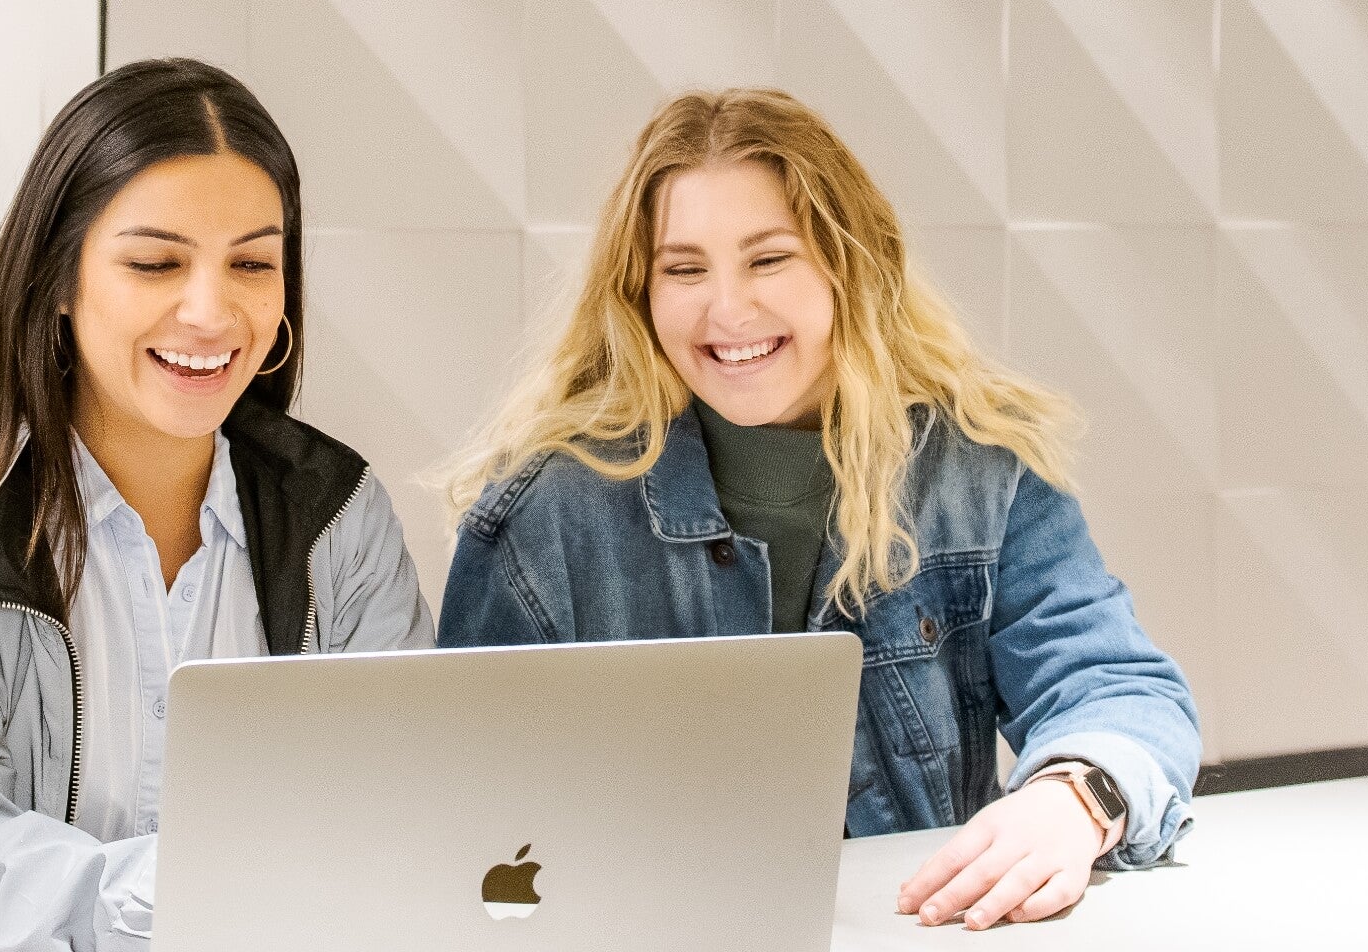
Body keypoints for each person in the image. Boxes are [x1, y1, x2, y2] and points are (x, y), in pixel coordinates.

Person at [434, 89, 1201, 931]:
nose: (727, 310)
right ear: (638, 294)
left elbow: (1117, 685)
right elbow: (463, 829)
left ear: (849, 263)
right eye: (684, 269)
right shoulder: (545, 513)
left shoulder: (978, 466)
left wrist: (1075, 798)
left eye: (768, 260)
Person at [0, 58, 431, 952]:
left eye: (252, 264)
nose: (210, 310)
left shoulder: (339, 515)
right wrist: (189, 891)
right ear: (60, 282)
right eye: (155, 262)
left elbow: (409, 809)